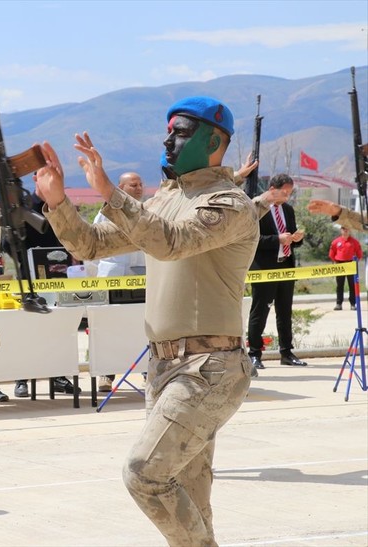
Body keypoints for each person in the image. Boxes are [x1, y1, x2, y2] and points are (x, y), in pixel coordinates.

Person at [34, 96, 262, 547]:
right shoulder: (165, 200)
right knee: (192, 498)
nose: (168, 139)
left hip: (208, 369)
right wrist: (59, 201)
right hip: (164, 367)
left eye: (180, 131)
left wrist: (110, 193)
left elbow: (172, 243)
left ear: (214, 141)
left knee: (145, 474)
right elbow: (92, 244)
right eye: (169, 130)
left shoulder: (229, 203)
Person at [0, 189, 80, 401]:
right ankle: (21, 379)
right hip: (26, 277)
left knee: (55, 329)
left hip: (57, 275)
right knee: (24, 329)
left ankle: (58, 375)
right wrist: (24, 259)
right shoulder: (23, 206)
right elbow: (7, 244)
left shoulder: (61, 205)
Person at [246, 174, 307, 372]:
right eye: (285, 192)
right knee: (260, 311)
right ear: (273, 189)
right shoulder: (259, 209)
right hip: (265, 268)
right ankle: (254, 353)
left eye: (290, 193)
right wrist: (277, 239)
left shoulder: (288, 210)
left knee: (285, 311)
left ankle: (287, 352)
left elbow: (292, 236)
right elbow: (253, 240)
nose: (288, 196)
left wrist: (296, 238)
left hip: (286, 266)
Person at [92, 172, 146, 393]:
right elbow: (94, 243)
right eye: (134, 184)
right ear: (121, 187)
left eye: (141, 183)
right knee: (108, 326)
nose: (139, 188)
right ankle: (106, 373)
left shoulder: (148, 211)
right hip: (113, 277)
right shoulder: (107, 214)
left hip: (142, 277)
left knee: (144, 325)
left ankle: (147, 371)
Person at [328, 225, 362, 310]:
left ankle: (353, 304)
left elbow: (359, 253)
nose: (345, 231)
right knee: (340, 285)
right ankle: (339, 304)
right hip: (340, 264)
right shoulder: (336, 241)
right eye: (344, 229)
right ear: (341, 230)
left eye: (347, 229)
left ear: (350, 230)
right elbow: (331, 254)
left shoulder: (354, 242)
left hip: (351, 264)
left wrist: (355, 262)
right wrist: (336, 262)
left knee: (352, 285)